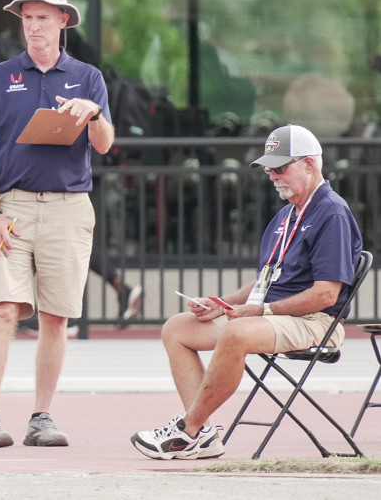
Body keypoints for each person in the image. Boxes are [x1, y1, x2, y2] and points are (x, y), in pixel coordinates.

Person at [130, 124, 362, 460]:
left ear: (310, 164)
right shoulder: (288, 214)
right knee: (177, 328)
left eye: (280, 167)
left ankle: (186, 431)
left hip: (316, 320)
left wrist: (261, 311)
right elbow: (266, 279)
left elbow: (326, 295)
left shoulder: (331, 212)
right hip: (273, 315)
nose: (272, 176)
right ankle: (205, 435)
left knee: (236, 333)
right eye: (269, 169)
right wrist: (223, 304)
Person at [0, 0, 114, 448]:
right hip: (11, 206)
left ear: (63, 21)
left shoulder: (89, 76)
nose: (33, 26)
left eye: (43, 17)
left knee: (55, 317)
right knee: (4, 309)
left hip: (70, 206)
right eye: (27, 17)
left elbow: (105, 145)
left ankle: (41, 416)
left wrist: (93, 113)